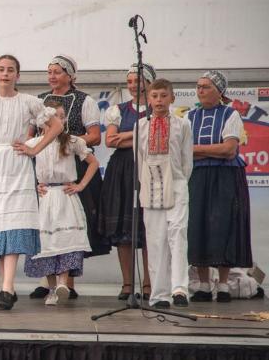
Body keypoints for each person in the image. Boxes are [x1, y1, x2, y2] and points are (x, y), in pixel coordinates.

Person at [0, 54, 62, 310]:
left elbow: (56, 126)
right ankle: (9, 286)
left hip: (17, 164)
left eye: (11, 70)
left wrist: (34, 149)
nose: (5, 74)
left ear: (18, 75)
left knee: (13, 223)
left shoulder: (29, 101)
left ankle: (7, 287)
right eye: (1, 70)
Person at [33, 54, 110, 300]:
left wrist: (66, 142)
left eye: (57, 71)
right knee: (47, 224)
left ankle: (69, 282)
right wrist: (47, 143)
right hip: (46, 168)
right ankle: (49, 282)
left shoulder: (84, 100)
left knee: (73, 224)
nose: (52, 76)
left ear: (70, 75)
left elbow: (96, 136)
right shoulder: (39, 101)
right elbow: (30, 135)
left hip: (73, 167)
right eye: (49, 72)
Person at [187, 70, 252, 303]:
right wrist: (208, 150)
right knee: (198, 224)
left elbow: (229, 150)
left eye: (206, 86)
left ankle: (223, 285)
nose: (200, 90)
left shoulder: (230, 114)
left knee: (223, 225)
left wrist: (196, 150)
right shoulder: (189, 117)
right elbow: (181, 152)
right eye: (198, 86)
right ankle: (203, 284)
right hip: (197, 176)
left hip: (226, 176)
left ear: (219, 91)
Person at [25, 100, 99, 306]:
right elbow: (20, 165)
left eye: (60, 115)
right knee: (46, 244)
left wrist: (80, 185)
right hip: (45, 196)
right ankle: (51, 290)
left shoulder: (73, 141)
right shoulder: (33, 144)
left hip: (65, 195)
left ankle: (63, 283)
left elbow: (93, 163)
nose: (56, 119)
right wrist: (33, 186)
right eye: (52, 116)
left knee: (67, 241)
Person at [135, 79, 193, 309]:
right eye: (155, 96)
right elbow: (140, 159)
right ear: (148, 99)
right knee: (155, 239)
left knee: (177, 235)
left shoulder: (183, 125)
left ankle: (179, 288)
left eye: (163, 96)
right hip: (151, 186)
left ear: (172, 98)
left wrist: (177, 182)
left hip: (176, 183)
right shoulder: (140, 126)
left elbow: (187, 161)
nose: (159, 100)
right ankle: (160, 294)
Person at [99, 64, 155, 300]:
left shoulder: (158, 109)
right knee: (125, 229)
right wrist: (140, 133)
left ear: (149, 82)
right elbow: (110, 141)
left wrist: (127, 135)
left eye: (138, 80)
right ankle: (128, 283)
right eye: (130, 81)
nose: (133, 85)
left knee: (149, 228)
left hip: (149, 167)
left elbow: (155, 137)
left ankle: (149, 283)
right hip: (122, 169)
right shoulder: (118, 109)